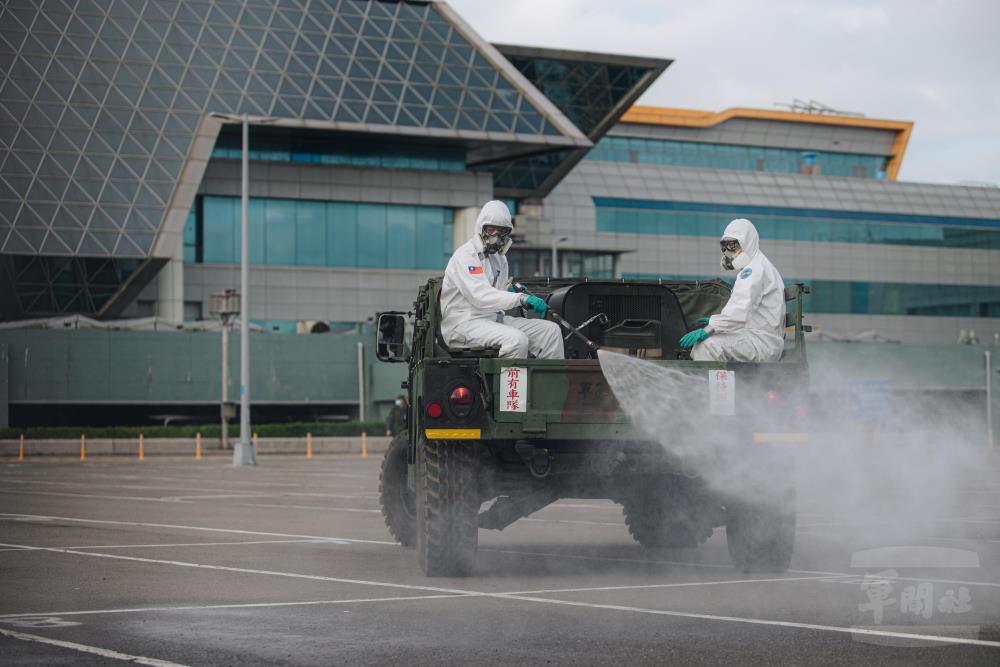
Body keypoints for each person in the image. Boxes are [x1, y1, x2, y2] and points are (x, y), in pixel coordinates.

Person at [440, 200, 564, 359]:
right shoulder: (465, 255)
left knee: (551, 332)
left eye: (502, 230)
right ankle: (510, 383)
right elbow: (480, 296)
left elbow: (497, 293)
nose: (496, 235)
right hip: (463, 324)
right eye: (491, 228)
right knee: (516, 340)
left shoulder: (500, 259)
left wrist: (508, 291)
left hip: (493, 320)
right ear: (481, 227)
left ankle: (549, 383)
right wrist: (520, 298)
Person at [679, 218, 786, 362]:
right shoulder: (758, 266)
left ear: (748, 242)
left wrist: (709, 328)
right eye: (727, 246)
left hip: (762, 342)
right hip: (760, 338)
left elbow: (738, 313)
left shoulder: (753, 270)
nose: (730, 252)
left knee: (707, 346)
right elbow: (745, 312)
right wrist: (715, 321)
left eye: (734, 245)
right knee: (712, 341)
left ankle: (708, 385)